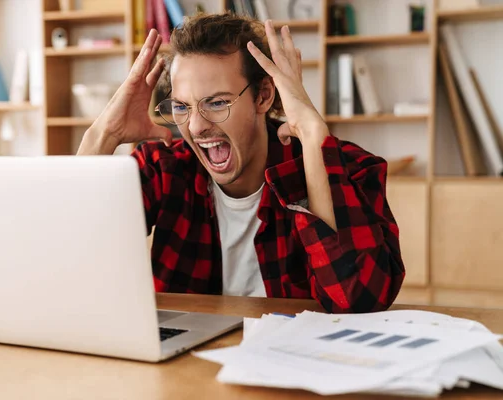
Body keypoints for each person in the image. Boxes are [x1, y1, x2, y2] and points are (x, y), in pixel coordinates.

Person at [78, 13, 405, 313]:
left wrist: (312, 133)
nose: (195, 127)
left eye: (216, 102)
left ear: (263, 96)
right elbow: (70, 251)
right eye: (181, 106)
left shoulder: (349, 168)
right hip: (185, 369)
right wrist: (105, 134)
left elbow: (361, 302)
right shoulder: (164, 170)